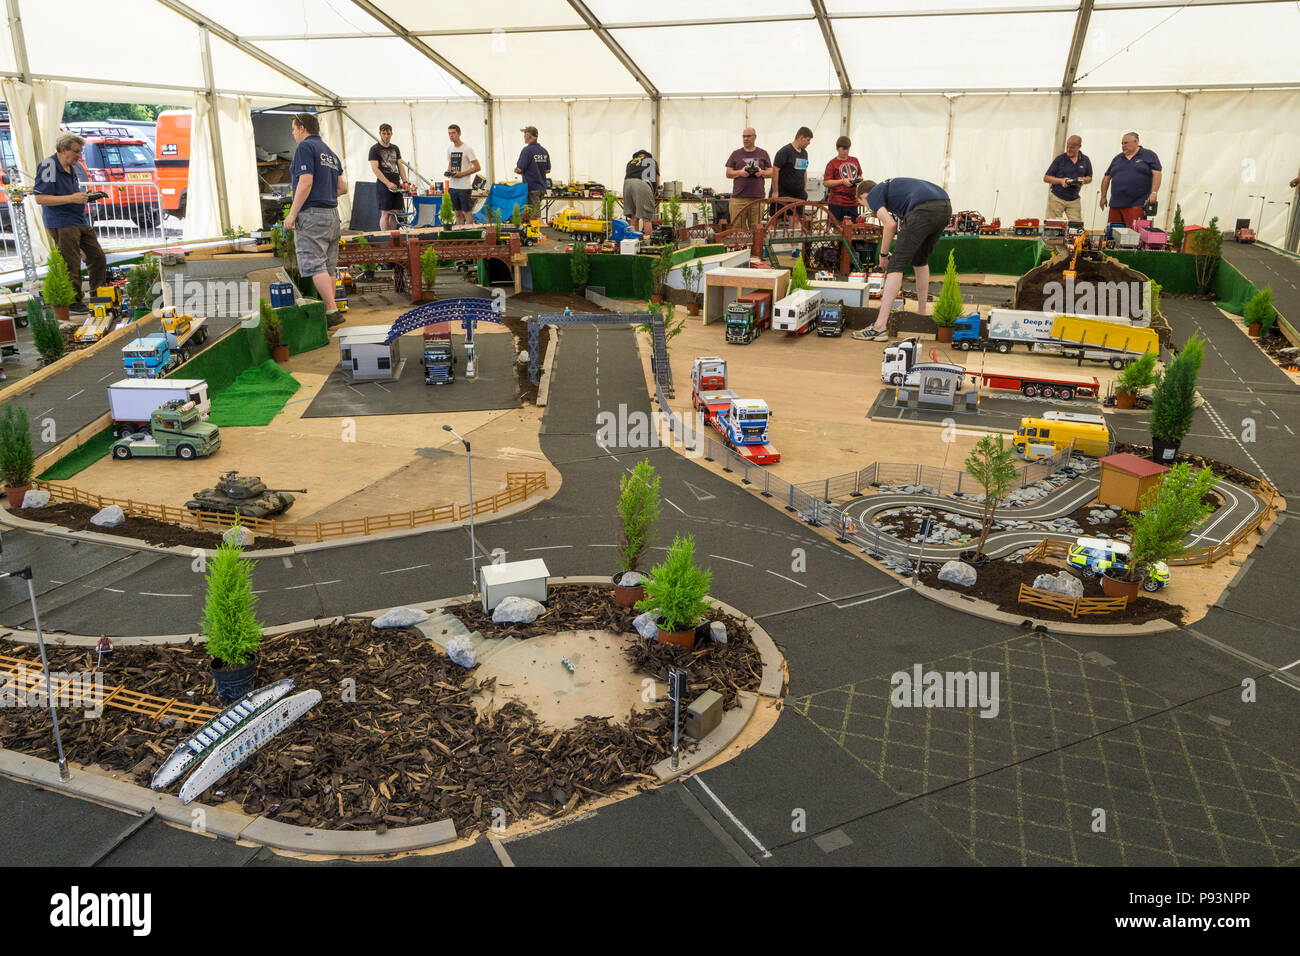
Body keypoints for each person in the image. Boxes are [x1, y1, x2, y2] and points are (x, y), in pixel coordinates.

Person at [854, 177, 952, 339]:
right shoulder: (892, 189)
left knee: (896, 266)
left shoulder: (873, 194)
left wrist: (883, 255)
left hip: (923, 209)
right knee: (920, 260)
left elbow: (890, 225)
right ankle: (922, 316)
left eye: (863, 204)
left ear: (863, 197)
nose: (869, 208)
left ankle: (879, 327)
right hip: (944, 206)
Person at [283, 113, 348, 327]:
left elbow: (305, 181)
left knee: (313, 262)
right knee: (328, 265)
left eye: (293, 129)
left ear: (302, 128)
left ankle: (330, 311)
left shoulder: (305, 148)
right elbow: (343, 188)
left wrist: (292, 214)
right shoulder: (329, 152)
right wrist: (326, 193)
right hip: (332, 214)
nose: (292, 134)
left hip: (312, 214)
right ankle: (332, 308)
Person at [33, 132, 107, 314]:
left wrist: (87, 197)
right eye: (76, 152)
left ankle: (99, 294)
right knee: (71, 262)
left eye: (80, 152)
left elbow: (69, 195)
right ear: (63, 149)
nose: (79, 156)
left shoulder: (71, 167)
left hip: (78, 219)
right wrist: (72, 198)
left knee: (97, 256)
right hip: (61, 222)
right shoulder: (49, 166)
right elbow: (41, 198)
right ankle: (73, 302)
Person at [1099, 132, 1161, 230]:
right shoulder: (1117, 158)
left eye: (1126, 143)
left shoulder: (1149, 155)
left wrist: (1154, 193)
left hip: (1137, 203)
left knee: (1134, 233)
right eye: (1122, 143)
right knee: (1112, 232)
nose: (1123, 146)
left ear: (1135, 142)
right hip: (1115, 203)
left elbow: (1157, 174)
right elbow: (1107, 177)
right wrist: (1103, 196)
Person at [724, 128, 772, 231]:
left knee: (756, 230)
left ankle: (754, 248)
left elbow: (771, 172)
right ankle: (738, 247)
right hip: (738, 198)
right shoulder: (735, 154)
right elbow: (728, 173)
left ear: (755, 137)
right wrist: (740, 173)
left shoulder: (763, 153)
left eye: (749, 136)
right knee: (737, 229)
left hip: (757, 198)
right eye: (744, 136)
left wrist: (762, 172)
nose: (746, 139)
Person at [368, 124, 410, 232]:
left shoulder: (395, 148)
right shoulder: (374, 149)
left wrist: (405, 181)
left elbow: (400, 165)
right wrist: (387, 183)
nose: (386, 136)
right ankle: (385, 238)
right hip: (383, 184)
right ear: (380, 133)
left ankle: (394, 238)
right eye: (384, 133)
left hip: (396, 183)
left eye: (388, 133)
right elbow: (375, 169)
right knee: (386, 213)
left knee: (394, 213)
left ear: (391, 134)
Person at [1043, 134, 1092, 221]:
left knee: (1077, 227)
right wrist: (1061, 181)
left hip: (1074, 199)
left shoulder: (1085, 160)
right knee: (1053, 226)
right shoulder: (1060, 159)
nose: (1069, 149)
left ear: (1079, 147)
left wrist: (1084, 180)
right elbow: (1046, 178)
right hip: (1057, 198)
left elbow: (1089, 177)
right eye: (1067, 147)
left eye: (1072, 147)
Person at [772, 127, 813, 224]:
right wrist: (775, 191)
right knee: (775, 220)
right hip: (782, 193)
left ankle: (794, 239)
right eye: (808, 140)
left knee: (796, 221)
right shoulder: (785, 151)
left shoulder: (804, 153)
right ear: (801, 137)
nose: (809, 143)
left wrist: (804, 188)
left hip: (798, 194)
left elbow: (804, 171)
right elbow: (775, 169)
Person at [445, 124, 481, 226]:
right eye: (449, 133)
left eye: (453, 133)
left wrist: (462, 174)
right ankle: (459, 237)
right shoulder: (450, 149)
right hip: (453, 186)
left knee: (467, 213)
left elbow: (477, 167)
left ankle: (470, 238)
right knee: (457, 214)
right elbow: (450, 163)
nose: (451, 135)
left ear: (459, 133)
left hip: (464, 187)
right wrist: (449, 172)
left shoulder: (467, 149)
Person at [823, 136, 863, 224]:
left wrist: (858, 180)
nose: (846, 151)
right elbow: (826, 182)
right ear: (837, 148)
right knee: (837, 228)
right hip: (837, 202)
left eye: (848, 149)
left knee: (853, 228)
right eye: (843, 149)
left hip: (852, 201)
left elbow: (859, 174)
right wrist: (842, 181)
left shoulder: (855, 160)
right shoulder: (832, 163)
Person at [514, 126, 551, 219]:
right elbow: (548, 170)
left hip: (531, 188)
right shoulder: (544, 151)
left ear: (528, 135)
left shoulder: (527, 150)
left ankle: (537, 233)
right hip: (542, 187)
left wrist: (516, 170)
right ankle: (535, 232)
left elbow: (520, 168)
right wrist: (537, 169)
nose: (523, 137)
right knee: (533, 214)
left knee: (534, 217)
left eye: (524, 135)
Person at [622, 149, 659, 232]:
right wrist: (655, 193)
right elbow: (656, 178)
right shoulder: (651, 161)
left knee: (634, 216)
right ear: (647, 156)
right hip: (641, 185)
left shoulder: (631, 162)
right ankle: (648, 242)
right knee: (646, 218)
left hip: (627, 185)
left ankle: (633, 241)